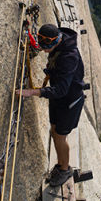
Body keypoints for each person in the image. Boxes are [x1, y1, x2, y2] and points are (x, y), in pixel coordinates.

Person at [17, 24, 85, 187]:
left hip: (69, 101)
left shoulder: (69, 56)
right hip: (60, 98)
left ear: (55, 41)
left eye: (47, 47)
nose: (45, 50)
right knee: (54, 131)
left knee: (60, 135)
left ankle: (65, 168)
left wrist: (33, 92)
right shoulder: (59, 44)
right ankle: (61, 165)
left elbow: (61, 89)